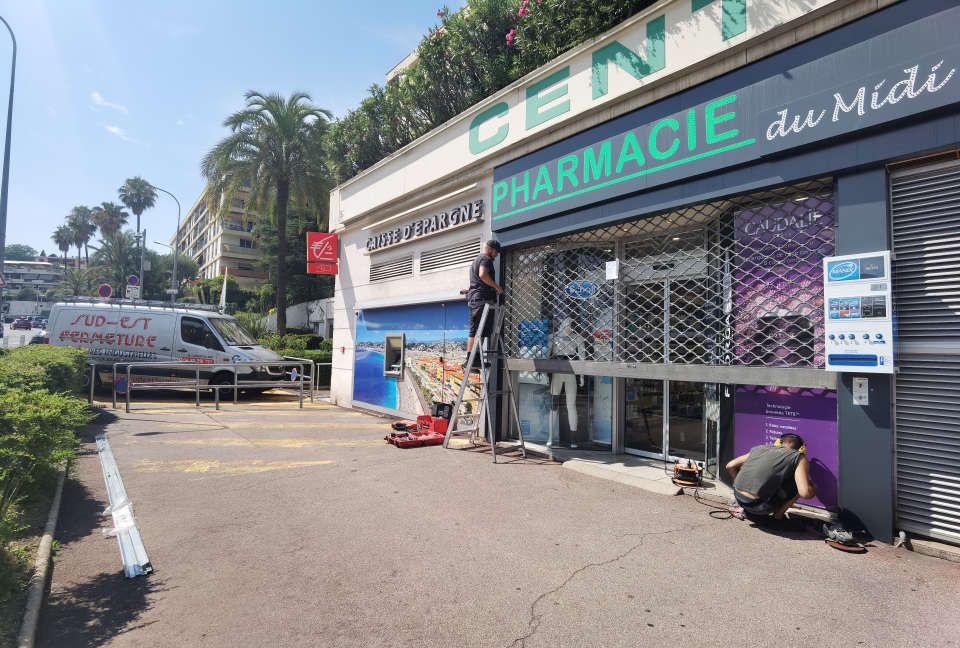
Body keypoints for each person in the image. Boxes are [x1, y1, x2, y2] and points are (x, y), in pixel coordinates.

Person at [725, 433, 817, 521]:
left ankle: (749, 505)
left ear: (778, 442)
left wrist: (742, 487)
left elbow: (730, 466)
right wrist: (813, 488)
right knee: (799, 484)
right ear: (801, 449)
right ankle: (778, 516)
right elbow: (805, 493)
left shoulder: (759, 448)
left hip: (738, 498)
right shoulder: (798, 456)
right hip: (758, 507)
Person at [463, 240, 504, 363]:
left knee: (477, 331)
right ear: (491, 249)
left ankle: (473, 358)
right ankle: (472, 359)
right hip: (482, 301)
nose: (496, 256)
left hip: (477, 300)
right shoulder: (485, 259)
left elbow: (477, 281)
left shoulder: (476, 260)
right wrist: (497, 288)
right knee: (477, 331)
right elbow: (482, 275)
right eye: (496, 252)